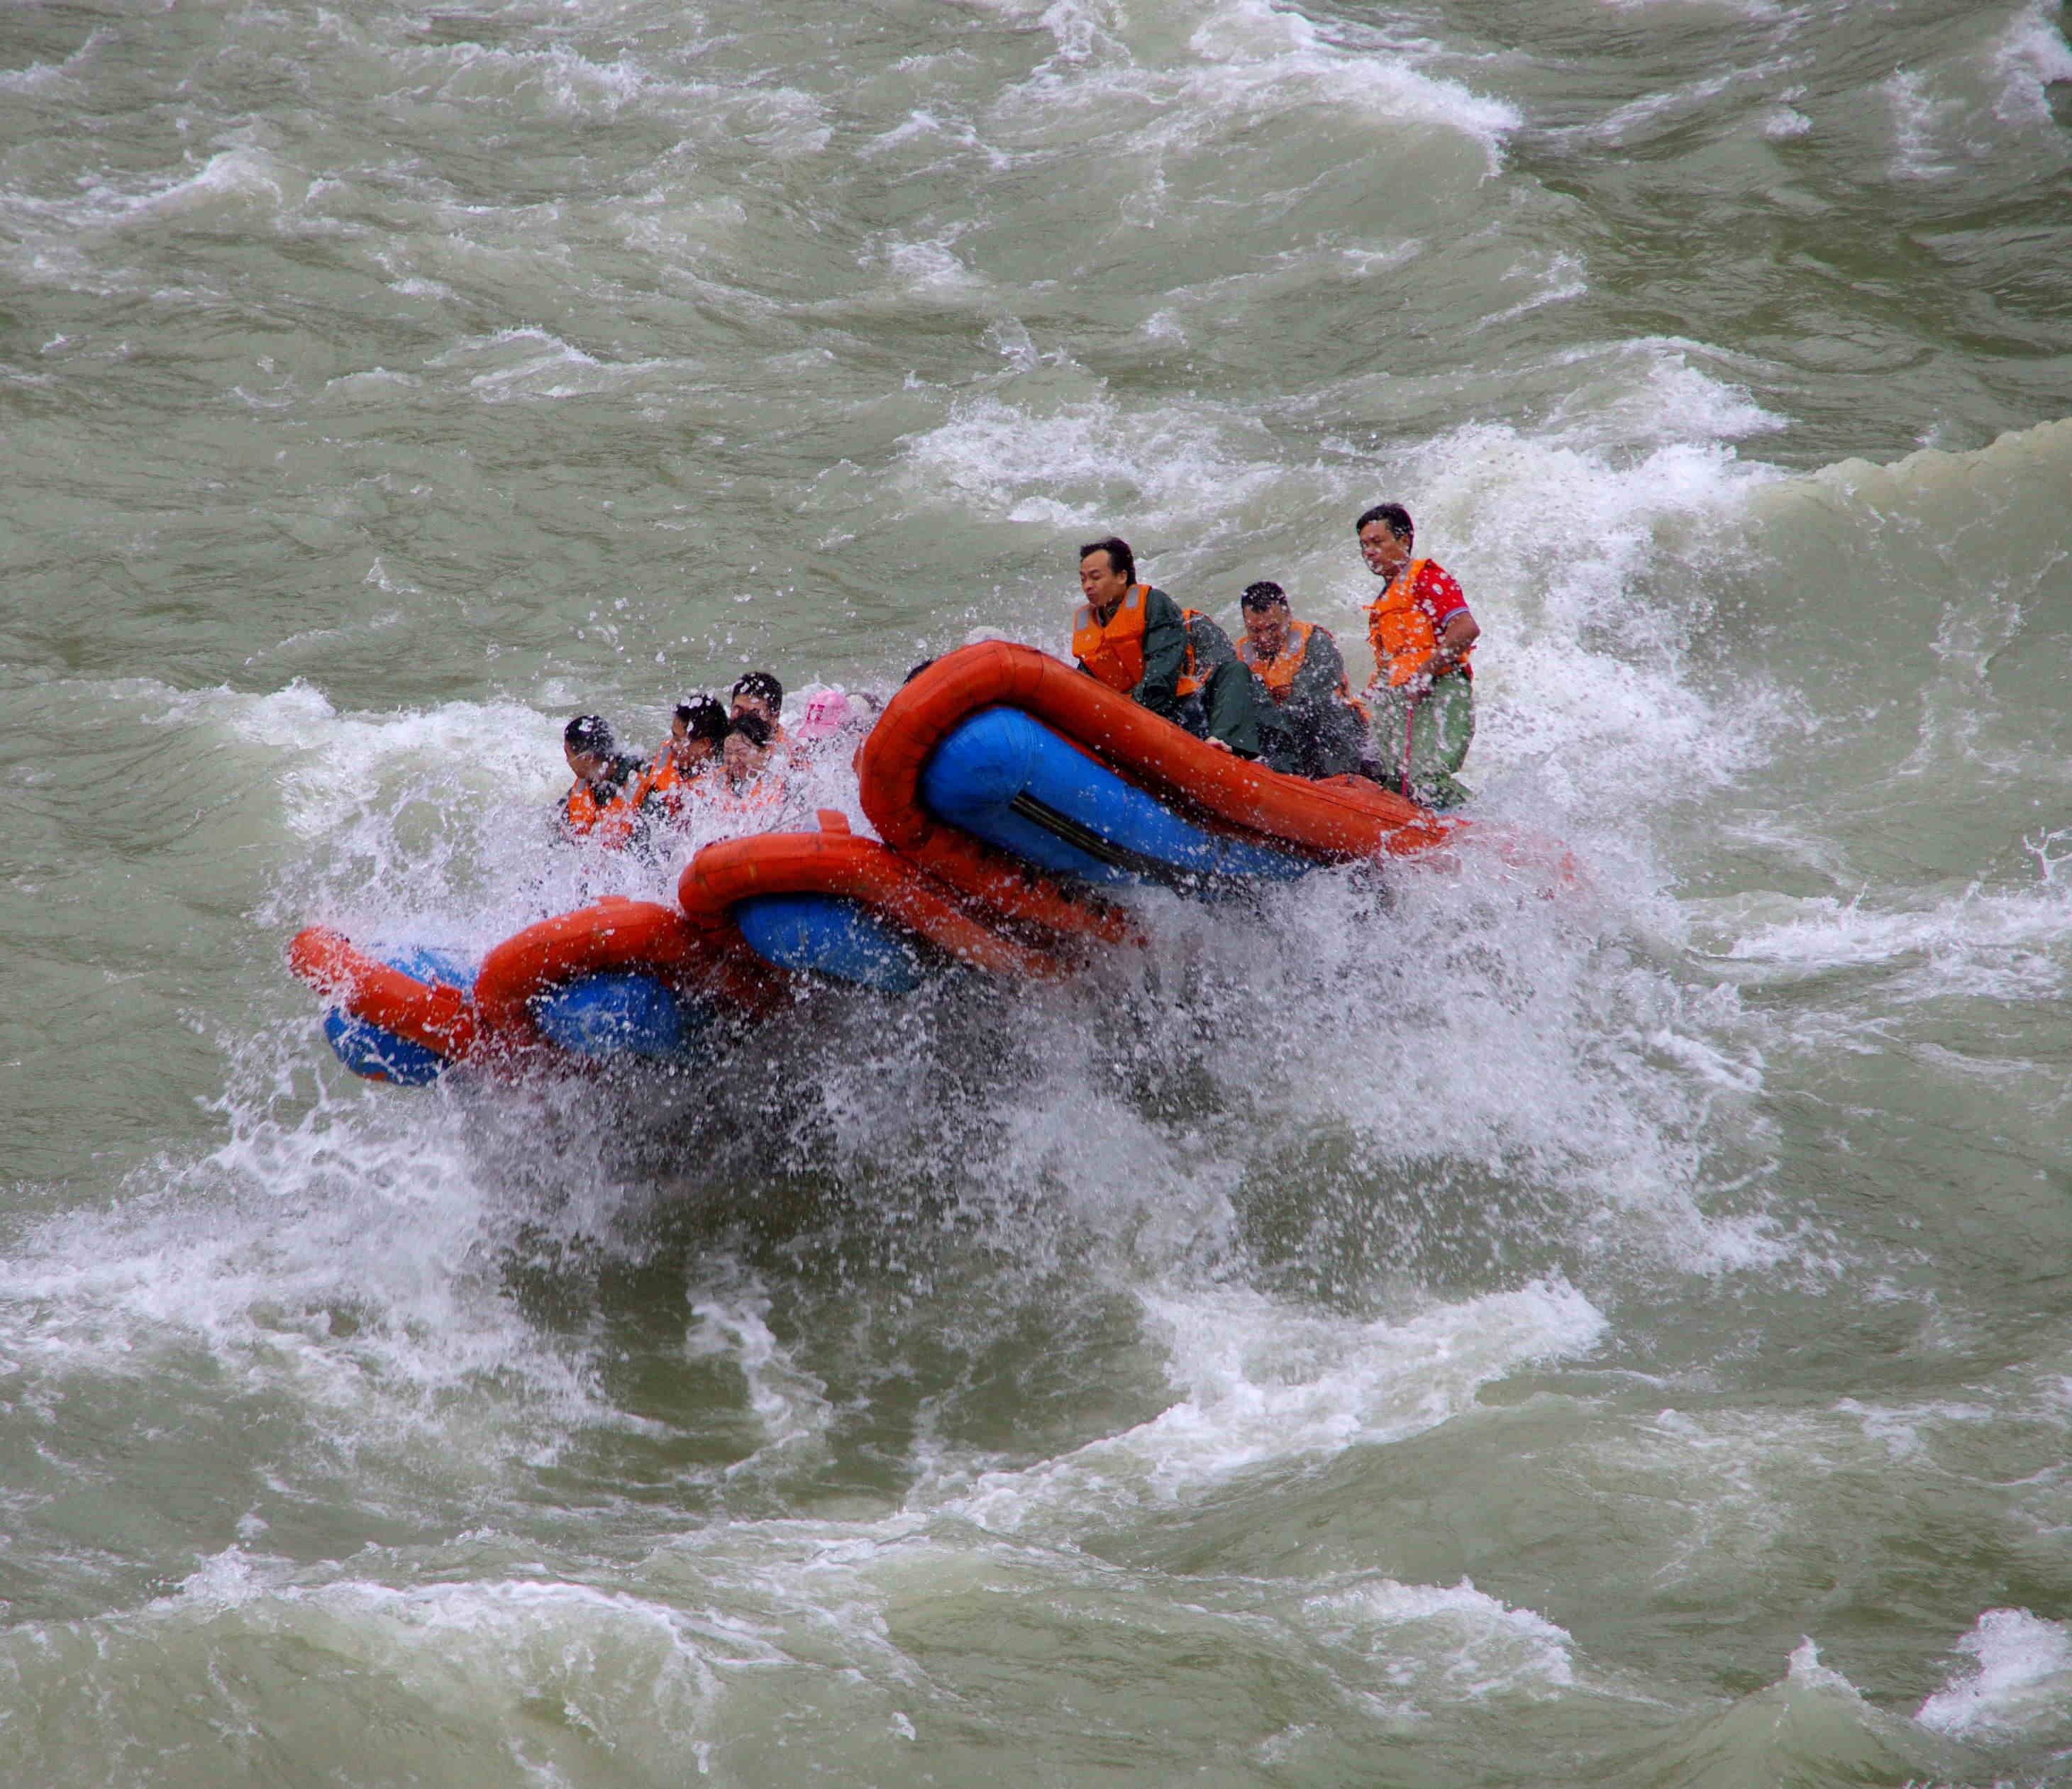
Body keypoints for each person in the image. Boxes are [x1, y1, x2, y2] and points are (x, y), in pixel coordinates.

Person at [1070, 535, 1263, 756]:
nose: (1087, 586)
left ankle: (1225, 747)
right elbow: (1085, 685)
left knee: (1234, 671)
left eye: (1095, 577)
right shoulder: (1090, 625)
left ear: (1122, 575)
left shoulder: (1154, 604)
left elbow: (1161, 676)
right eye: (1083, 579)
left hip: (1177, 712)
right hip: (1129, 719)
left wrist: (1128, 721)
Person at [1356, 503, 1479, 808]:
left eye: (1377, 542)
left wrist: (1425, 671)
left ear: (1405, 540)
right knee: (1392, 780)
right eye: (1364, 545)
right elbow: (1393, 662)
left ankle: (1479, 824)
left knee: (1427, 779)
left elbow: (1466, 629)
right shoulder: (1386, 597)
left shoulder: (1426, 578)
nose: (1369, 552)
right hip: (1402, 696)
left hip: (1440, 688)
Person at [1235, 582, 1365, 778]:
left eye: (1272, 628)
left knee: (1311, 711)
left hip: (1335, 732)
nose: (1264, 638)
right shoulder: (1240, 656)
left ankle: (1342, 780)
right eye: (1255, 631)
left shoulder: (1316, 641)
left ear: (1288, 616)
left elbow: (1309, 698)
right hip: (1283, 736)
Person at [559, 714, 653, 848]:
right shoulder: (588, 783)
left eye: (568, 755)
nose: (568, 761)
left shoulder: (642, 781)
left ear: (587, 758)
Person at [644, 696, 728, 820]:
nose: (671, 744)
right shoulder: (666, 755)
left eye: (678, 739)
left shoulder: (720, 785)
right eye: (673, 735)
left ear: (704, 744)